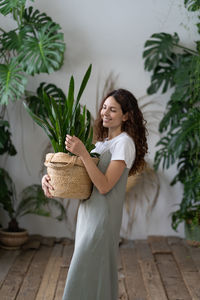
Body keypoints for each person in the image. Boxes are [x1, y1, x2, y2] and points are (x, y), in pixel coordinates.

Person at [42, 88, 148, 300]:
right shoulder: (101, 144)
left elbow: (104, 186)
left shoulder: (124, 143)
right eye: (104, 107)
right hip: (88, 215)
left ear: (126, 116)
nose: (105, 113)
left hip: (103, 219)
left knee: (82, 273)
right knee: (92, 275)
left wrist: (82, 153)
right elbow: (83, 180)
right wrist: (49, 180)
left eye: (113, 110)